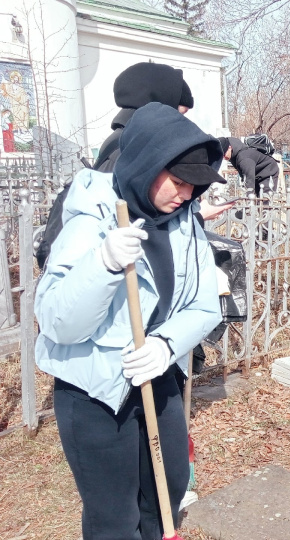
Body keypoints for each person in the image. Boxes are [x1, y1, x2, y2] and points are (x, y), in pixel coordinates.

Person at [35, 102, 225, 539]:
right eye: (178, 182)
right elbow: (58, 323)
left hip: (156, 372)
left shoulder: (185, 222)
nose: (186, 195)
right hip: (95, 389)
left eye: (195, 187)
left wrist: (165, 344)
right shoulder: (92, 217)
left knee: (169, 486)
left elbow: (204, 305)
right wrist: (100, 266)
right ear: (147, 165)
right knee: (114, 517)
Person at [37, 62, 193, 269]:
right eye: (178, 114)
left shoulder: (121, 139)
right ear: (159, 104)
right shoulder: (129, 146)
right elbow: (115, 216)